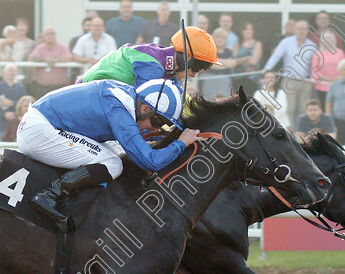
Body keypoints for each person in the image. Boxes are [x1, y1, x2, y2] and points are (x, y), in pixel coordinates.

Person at [18, 78, 205, 226]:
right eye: (158, 122)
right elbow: (151, 162)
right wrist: (181, 143)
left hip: (46, 125)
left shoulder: (129, 97)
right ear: (145, 108)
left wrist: (162, 133)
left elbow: (136, 138)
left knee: (117, 154)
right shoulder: (119, 110)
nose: (157, 127)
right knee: (112, 164)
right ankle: (49, 195)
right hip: (40, 131)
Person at [81, 27, 220, 88]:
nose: (195, 75)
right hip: (87, 92)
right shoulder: (153, 66)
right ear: (184, 58)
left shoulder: (168, 68)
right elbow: (143, 108)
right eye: (197, 67)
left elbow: (182, 103)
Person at [263, 20, 318, 127]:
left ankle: (302, 134)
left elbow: (315, 64)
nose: (301, 31)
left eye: (304, 29)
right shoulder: (286, 42)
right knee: (290, 109)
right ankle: (291, 134)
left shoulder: (312, 45)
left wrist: (316, 77)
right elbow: (276, 56)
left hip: (305, 81)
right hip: (289, 80)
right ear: (294, 30)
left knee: (304, 109)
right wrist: (267, 68)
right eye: (299, 29)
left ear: (307, 31)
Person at [28, 27, 72, 97]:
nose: (49, 35)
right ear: (43, 36)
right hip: (42, 88)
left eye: (52, 33)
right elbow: (31, 58)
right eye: (47, 34)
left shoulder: (62, 47)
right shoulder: (40, 48)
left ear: (55, 35)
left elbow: (69, 58)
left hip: (59, 88)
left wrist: (55, 59)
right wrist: (44, 59)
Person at [0, 64, 27, 142]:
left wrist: (12, 103)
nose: (12, 73)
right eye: (10, 70)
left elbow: (25, 103)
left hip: (17, 123)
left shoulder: (21, 88)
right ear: (4, 73)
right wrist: (4, 114)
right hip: (1, 123)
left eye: (14, 71)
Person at [200, 28, 236, 99]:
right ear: (213, 38)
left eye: (222, 38)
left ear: (226, 40)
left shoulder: (228, 52)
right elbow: (209, 65)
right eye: (217, 37)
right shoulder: (209, 50)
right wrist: (226, 63)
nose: (220, 39)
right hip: (209, 81)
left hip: (225, 82)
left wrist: (215, 61)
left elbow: (232, 64)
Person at [311, 30, 345, 105]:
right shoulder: (317, 53)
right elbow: (314, 72)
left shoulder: (340, 53)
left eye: (330, 38)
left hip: (337, 85)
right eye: (325, 38)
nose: (327, 40)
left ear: (334, 40)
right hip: (322, 86)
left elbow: (344, 69)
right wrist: (325, 78)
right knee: (323, 107)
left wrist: (338, 78)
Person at [232, 22, 264, 96]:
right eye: (246, 29)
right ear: (242, 31)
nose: (248, 31)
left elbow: (254, 61)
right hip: (238, 78)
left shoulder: (257, 44)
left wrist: (239, 61)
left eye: (250, 29)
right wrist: (246, 59)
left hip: (252, 78)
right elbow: (233, 61)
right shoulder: (238, 45)